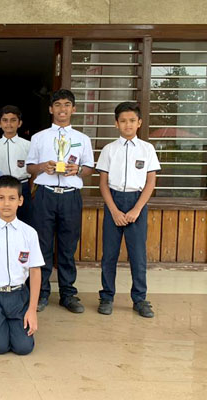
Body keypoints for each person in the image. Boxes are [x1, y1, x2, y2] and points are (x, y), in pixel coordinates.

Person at [26, 89, 94, 313]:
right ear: (50, 109)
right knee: (43, 245)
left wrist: (78, 169)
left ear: (73, 109)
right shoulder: (39, 137)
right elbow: (29, 167)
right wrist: (42, 167)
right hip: (45, 194)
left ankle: (68, 294)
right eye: (57, 105)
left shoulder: (82, 139)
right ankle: (41, 292)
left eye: (66, 105)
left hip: (70, 196)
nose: (62, 109)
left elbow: (89, 168)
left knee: (67, 247)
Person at [95, 102, 160, 318]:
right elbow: (103, 183)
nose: (128, 124)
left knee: (138, 255)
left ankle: (140, 299)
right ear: (116, 124)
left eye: (132, 120)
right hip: (114, 201)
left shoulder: (147, 149)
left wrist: (136, 209)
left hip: (137, 202)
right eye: (123, 121)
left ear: (139, 122)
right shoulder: (109, 149)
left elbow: (151, 182)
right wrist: (114, 210)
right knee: (109, 254)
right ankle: (106, 296)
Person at [0, 175, 43, 355]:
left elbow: (35, 271)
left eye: (12, 198)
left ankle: (15, 327)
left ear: (20, 201)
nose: (6, 204)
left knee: (23, 347)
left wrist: (32, 310)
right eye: (1, 198)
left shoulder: (29, 233)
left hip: (19, 295)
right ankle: (0, 328)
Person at [0, 105, 33, 224]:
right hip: (1, 186)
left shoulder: (27, 145)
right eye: (5, 120)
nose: (9, 124)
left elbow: (32, 170)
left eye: (13, 120)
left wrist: (31, 190)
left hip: (22, 186)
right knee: (3, 219)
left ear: (19, 123)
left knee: (24, 220)